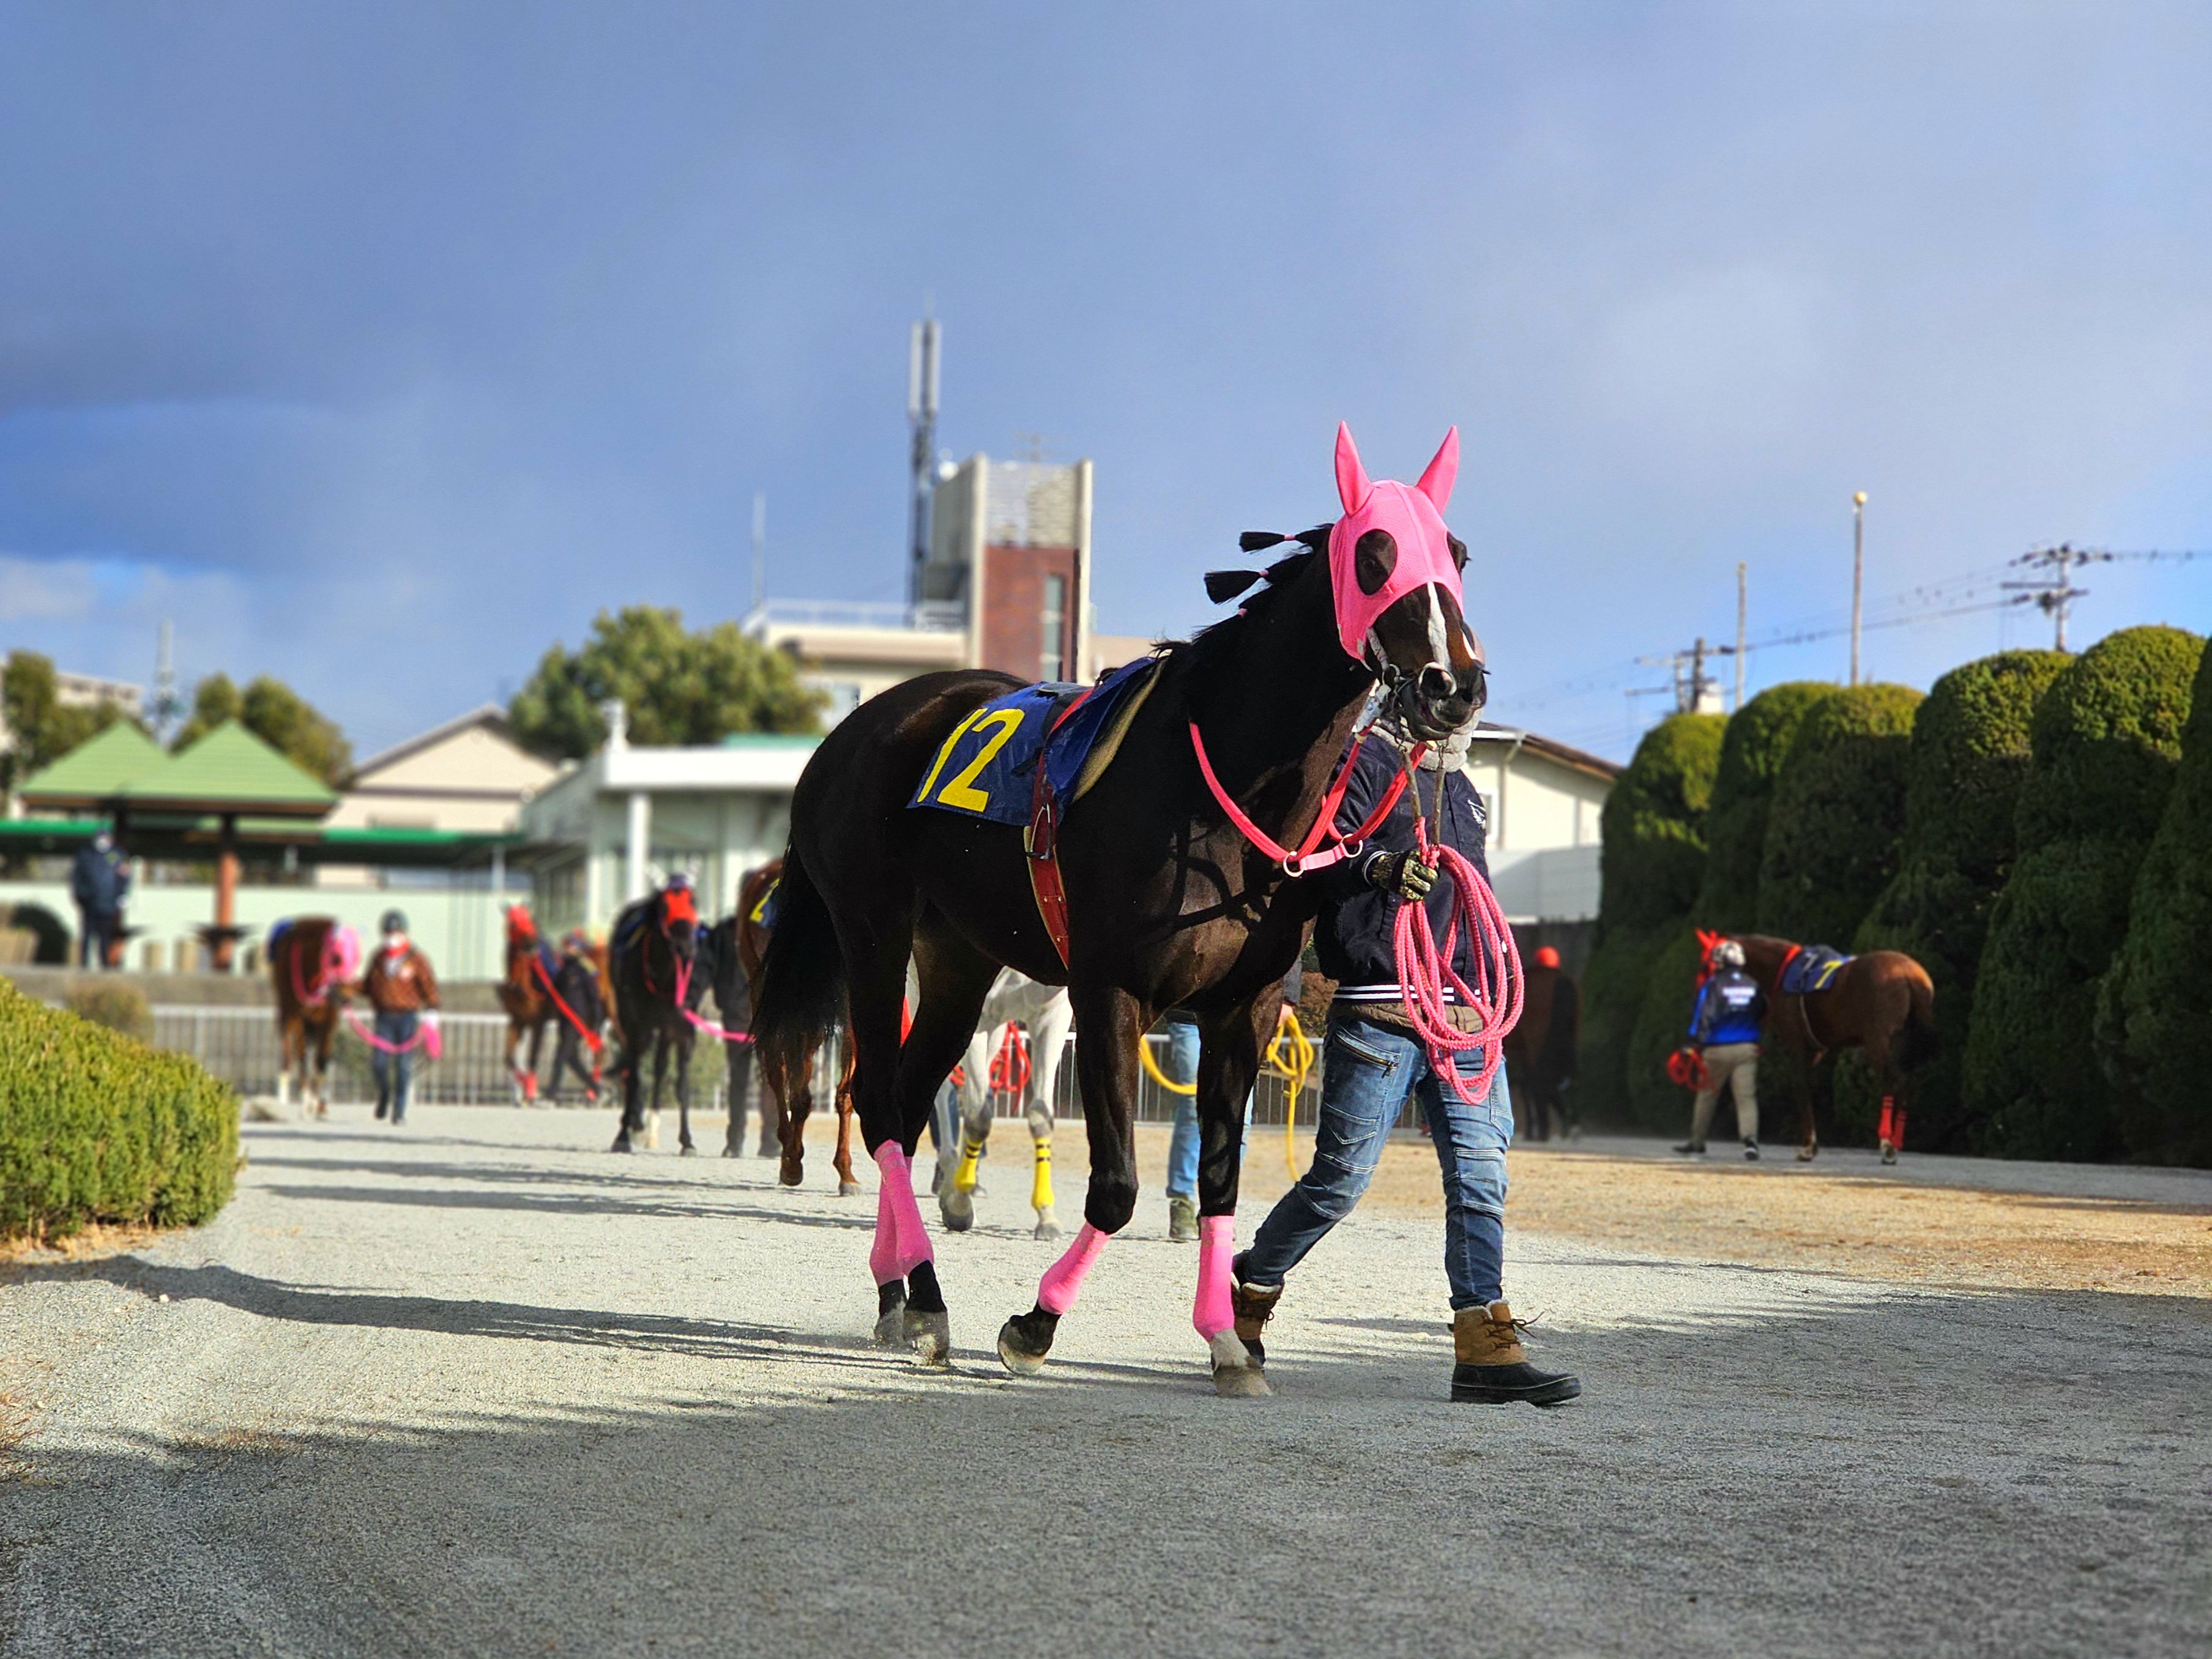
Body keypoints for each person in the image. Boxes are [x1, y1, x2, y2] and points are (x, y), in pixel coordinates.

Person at [1232, 733, 1581, 1407]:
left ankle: (1484, 1346)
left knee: (1481, 1175)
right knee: (1339, 1183)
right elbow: (1315, 858)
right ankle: (1252, 1284)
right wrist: (1379, 869)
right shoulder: (1363, 765)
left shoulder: (1467, 792)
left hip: (1464, 1020)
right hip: (1380, 1009)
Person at [1677, 938, 1764, 1160]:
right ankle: (1750, 1141)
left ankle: (1697, 1142)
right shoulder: (1753, 984)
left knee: (1706, 1096)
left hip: (1716, 1050)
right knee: (1746, 1098)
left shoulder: (1713, 985)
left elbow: (1704, 1016)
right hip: (1747, 1049)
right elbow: (1762, 1010)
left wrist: (1691, 1043)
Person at [360, 908, 439, 1126]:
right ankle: (384, 1095)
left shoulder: (416, 958)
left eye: (395, 932)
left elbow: (428, 985)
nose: (391, 936)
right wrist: (347, 991)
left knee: (404, 1067)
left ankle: (400, 1110)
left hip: (407, 1016)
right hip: (384, 1016)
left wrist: (432, 1009)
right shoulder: (378, 957)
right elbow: (367, 985)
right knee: (379, 1063)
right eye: (388, 932)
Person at [1505, 945, 1581, 1141]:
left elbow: (1515, 1012)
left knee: (1533, 1087)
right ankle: (1561, 1124)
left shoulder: (1528, 981)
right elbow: (1572, 1020)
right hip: (1555, 1045)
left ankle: (1539, 1129)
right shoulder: (1565, 983)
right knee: (1547, 1088)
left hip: (1528, 1044)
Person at [546, 931, 605, 1105]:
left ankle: (552, 1094)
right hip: (564, 1020)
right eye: (567, 946)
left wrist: (595, 1025)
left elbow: (594, 998)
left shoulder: (583, 970)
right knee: (572, 1060)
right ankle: (596, 1088)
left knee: (561, 1056)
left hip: (577, 1021)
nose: (568, 949)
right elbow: (554, 991)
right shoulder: (563, 970)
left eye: (571, 946)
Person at [69, 828, 129, 970]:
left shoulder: (115, 855)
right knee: (87, 933)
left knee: (104, 934)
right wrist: (80, 896)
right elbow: (77, 878)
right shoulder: (86, 854)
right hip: (89, 902)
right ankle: (84, 962)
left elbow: (123, 876)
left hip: (107, 903)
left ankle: (104, 962)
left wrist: (122, 894)